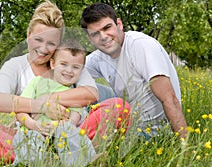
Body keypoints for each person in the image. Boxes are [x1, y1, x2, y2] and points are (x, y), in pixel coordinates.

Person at [0, 0, 98, 164]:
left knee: (118, 107)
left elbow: (91, 93)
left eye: (51, 43)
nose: (44, 48)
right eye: (38, 40)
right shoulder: (15, 65)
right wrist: (41, 106)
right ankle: (43, 161)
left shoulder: (68, 64)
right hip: (29, 133)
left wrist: (52, 100)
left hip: (70, 132)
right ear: (28, 36)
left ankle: (81, 157)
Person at [80, 3, 188, 139]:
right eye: (95, 34)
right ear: (90, 39)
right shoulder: (99, 57)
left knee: (116, 104)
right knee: (79, 85)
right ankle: (65, 133)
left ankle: (81, 143)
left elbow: (169, 99)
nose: (103, 37)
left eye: (107, 28)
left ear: (119, 24)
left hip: (149, 132)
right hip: (127, 120)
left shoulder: (141, 46)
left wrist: (186, 149)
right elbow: (65, 72)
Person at [12, 40, 96, 167]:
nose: (69, 71)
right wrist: (33, 125)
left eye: (76, 67)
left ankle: (84, 165)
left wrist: (61, 125)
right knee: (29, 138)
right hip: (35, 129)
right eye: (63, 64)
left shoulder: (73, 93)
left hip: (60, 132)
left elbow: (74, 117)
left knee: (71, 133)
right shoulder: (37, 82)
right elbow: (20, 111)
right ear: (52, 64)